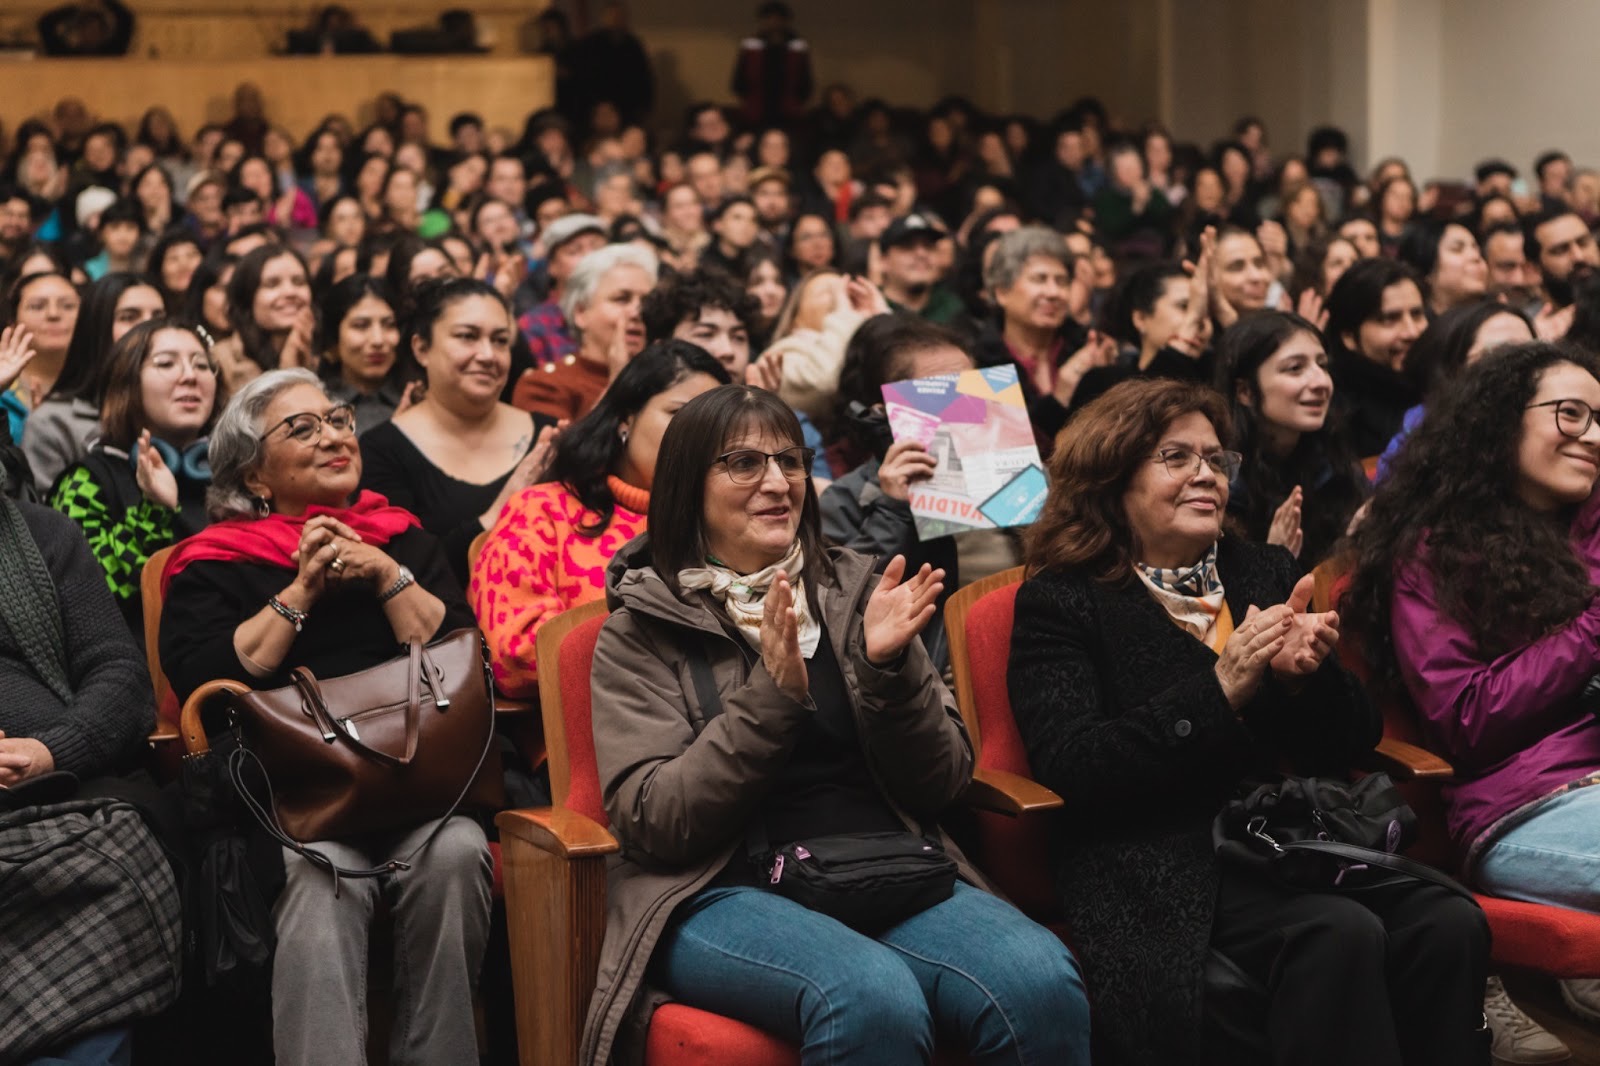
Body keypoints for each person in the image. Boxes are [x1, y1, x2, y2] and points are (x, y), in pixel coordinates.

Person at [581, 382, 1091, 1066]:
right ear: (686, 488)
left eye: (790, 461)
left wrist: (888, 673)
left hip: (882, 864)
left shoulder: (858, 593)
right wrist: (770, 699)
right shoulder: (642, 629)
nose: (778, 483)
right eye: (744, 463)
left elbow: (943, 782)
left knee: (1041, 981)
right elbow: (657, 822)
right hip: (721, 887)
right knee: (871, 998)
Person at [1009, 376, 1489, 1065]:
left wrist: (1304, 681)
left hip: (1281, 837)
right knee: (1336, 932)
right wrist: (1219, 690)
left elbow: (1355, 738)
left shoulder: (1259, 569)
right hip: (1152, 858)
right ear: (1111, 477)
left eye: (1215, 459)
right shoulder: (1062, 601)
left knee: (1448, 919)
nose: (1206, 474)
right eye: (1176, 457)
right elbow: (1075, 764)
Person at [157, 367, 490, 1066]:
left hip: (417, 782)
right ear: (254, 475)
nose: (334, 436)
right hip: (292, 802)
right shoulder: (214, 562)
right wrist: (303, 588)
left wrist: (385, 573)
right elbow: (203, 681)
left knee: (458, 850)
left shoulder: (404, 539)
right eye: (302, 428)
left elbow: (463, 657)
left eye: (338, 420)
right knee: (320, 873)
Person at [1343, 343, 1600, 1058]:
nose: (1593, 436)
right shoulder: (1436, 553)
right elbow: (1467, 721)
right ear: (1500, 421)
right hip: (1530, 803)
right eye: (1571, 414)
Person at [472, 341, 728, 698]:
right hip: (592, 725)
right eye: (680, 414)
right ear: (626, 417)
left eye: (714, 428)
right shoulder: (543, 511)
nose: (698, 439)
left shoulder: (724, 521)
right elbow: (519, 655)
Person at [360, 277, 555, 583]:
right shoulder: (381, 450)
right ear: (422, 348)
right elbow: (405, 575)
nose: (488, 355)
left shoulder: (549, 434)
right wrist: (504, 507)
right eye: (467, 336)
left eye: (500, 340)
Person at [820, 316, 972, 669]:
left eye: (971, 393)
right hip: (929, 680)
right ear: (884, 413)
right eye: (941, 397)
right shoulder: (847, 499)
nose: (961, 409)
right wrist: (891, 510)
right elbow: (837, 607)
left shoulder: (1023, 482)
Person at [51, 317, 220, 633]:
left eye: (202, 365)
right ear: (127, 383)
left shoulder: (233, 475)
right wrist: (153, 510)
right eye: (166, 363)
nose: (190, 376)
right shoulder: (86, 481)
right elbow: (92, 597)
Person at [1214, 310, 1368, 565]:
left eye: (1322, 365)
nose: (1321, 382)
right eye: (1295, 368)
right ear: (1245, 391)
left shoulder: (1331, 457)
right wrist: (1272, 560)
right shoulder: (1224, 480)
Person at [24, 272, 164, 493]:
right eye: (129, 317)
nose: (149, 327)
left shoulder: (181, 406)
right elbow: (41, 511)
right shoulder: (54, 423)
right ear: (98, 328)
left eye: (158, 317)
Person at [1377, 300, 1534, 478]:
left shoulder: (1546, 423)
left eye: (1532, 351)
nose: (1524, 366)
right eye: (1501, 354)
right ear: (1450, 371)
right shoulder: (1416, 447)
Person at [512, 244, 657, 422]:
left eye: (647, 301)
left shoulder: (667, 379)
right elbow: (568, 442)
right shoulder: (545, 385)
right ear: (581, 312)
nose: (637, 312)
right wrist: (618, 383)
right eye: (622, 299)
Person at [1324, 257, 1428, 457]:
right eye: (1389, 319)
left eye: (1417, 314)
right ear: (1349, 336)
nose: (1412, 332)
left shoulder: (1441, 383)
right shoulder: (1333, 411)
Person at [211, 245, 315, 395]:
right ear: (247, 297)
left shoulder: (325, 356)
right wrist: (288, 374)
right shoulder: (219, 361)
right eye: (272, 284)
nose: (290, 292)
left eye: (299, 282)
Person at [316, 274, 409, 433]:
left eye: (389, 325)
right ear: (335, 337)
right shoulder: (317, 403)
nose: (378, 340)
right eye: (361, 326)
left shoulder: (418, 399)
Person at [515, 213, 607, 368]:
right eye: (574, 251)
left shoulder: (625, 314)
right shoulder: (533, 324)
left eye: (597, 248)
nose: (590, 257)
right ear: (552, 266)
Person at [3, 269, 82, 442]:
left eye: (68, 306)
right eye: (37, 306)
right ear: (13, 322)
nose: (53, 314)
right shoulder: (2, 390)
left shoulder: (106, 386)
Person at [731, 1, 813, 129]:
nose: (773, 22)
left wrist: (798, 101)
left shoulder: (797, 46)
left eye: (778, 18)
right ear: (762, 21)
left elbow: (805, 78)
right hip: (756, 109)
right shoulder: (751, 44)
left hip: (788, 110)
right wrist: (748, 100)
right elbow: (739, 77)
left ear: (786, 21)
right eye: (768, 18)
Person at [878, 213, 963, 325]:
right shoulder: (865, 308)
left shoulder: (954, 310)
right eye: (908, 246)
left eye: (929, 246)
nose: (921, 254)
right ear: (883, 260)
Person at [1396, 220, 1489, 316]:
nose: (1475, 256)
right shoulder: (1412, 324)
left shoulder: (1495, 318)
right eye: (1457, 249)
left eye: (1477, 250)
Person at [1526, 207, 1599, 311]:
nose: (1579, 256)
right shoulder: (1526, 320)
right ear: (1535, 268)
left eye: (1583, 243)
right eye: (1560, 250)